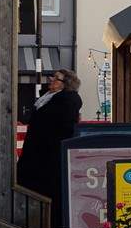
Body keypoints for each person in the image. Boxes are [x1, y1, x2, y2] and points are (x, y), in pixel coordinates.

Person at [16, 68, 83, 205]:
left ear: (65, 84)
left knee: (45, 190)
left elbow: (60, 128)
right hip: (39, 151)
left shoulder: (66, 101)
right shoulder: (48, 98)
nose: (51, 79)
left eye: (56, 78)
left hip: (48, 155)